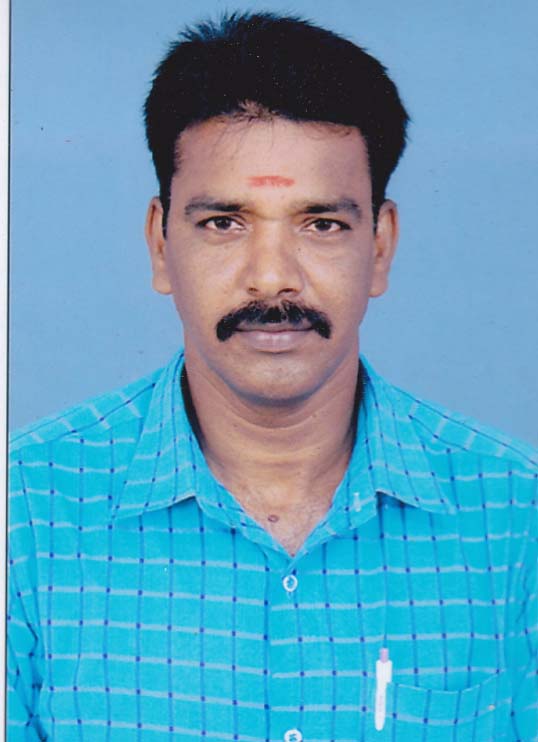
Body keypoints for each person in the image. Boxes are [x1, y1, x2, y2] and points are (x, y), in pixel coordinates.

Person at [8, 11, 537, 741]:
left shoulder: (516, 517)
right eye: (224, 223)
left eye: (321, 224)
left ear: (380, 246)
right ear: (160, 244)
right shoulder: (23, 514)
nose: (271, 278)